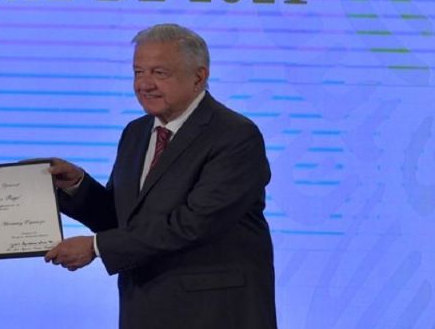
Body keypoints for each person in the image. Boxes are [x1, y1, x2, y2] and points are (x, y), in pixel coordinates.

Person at [44, 24, 276, 329]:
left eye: (159, 73)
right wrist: (77, 185)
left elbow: (193, 224)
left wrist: (96, 247)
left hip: (214, 313)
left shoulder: (235, 136)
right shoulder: (136, 133)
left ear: (199, 76)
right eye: (138, 72)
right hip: (144, 308)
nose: (145, 84)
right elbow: (125, 220)